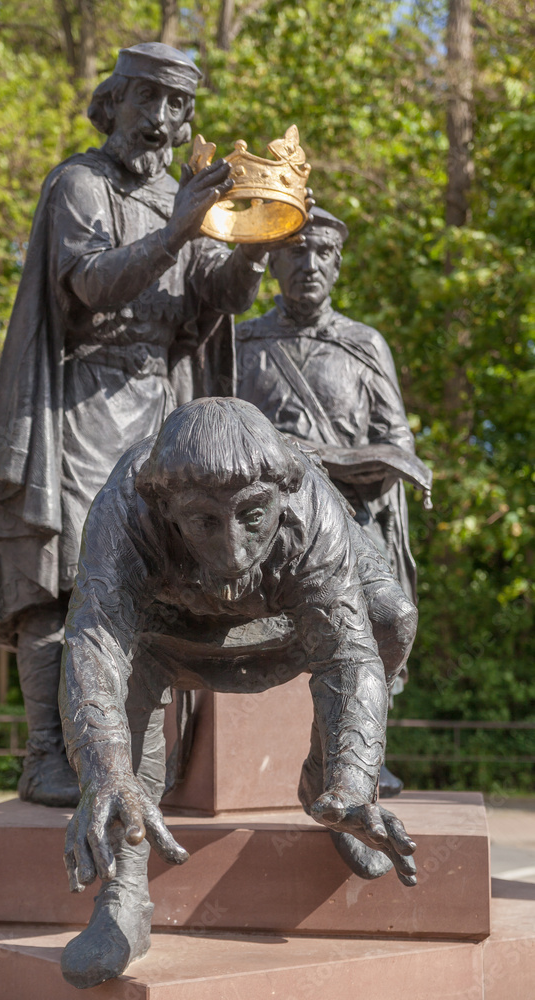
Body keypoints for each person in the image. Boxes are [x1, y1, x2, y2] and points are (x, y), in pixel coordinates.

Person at [0, 43, 274, 807]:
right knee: (63, 580)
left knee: (154, 587)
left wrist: (254, 248)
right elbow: (93, 284)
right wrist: (179, 229)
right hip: (82, 406)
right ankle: (48, 754)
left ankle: (136, 758)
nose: (164, 121)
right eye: (149, 101)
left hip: (162, 414)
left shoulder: (180, 196)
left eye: (178, 107)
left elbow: (214, 300)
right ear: (114, 101)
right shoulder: (79, 184)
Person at [59, 397, 418, 989]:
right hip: (168, 627)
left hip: (289, 615)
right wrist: (105, 773)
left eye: (254, 516)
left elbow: (347, 656)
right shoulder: (124, 509)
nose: (233, 550)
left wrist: (355, 776)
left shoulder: (309, 505)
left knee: (391, 617)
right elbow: (94, 645)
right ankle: (123, 895)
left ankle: (327, 784)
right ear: (164, 505)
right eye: (204, 521)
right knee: (124, 691)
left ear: (281, 493)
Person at [236, 207, 432, 796]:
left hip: (348, 519)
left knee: (385, 612)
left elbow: (397, 445)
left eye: (322, 253)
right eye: (295, 251)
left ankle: (359, 752)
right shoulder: (242, 343)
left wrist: (336, 458)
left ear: (338, 265)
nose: (310, 264)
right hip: (262, 522)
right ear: (272, 262)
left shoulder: (364, 346)